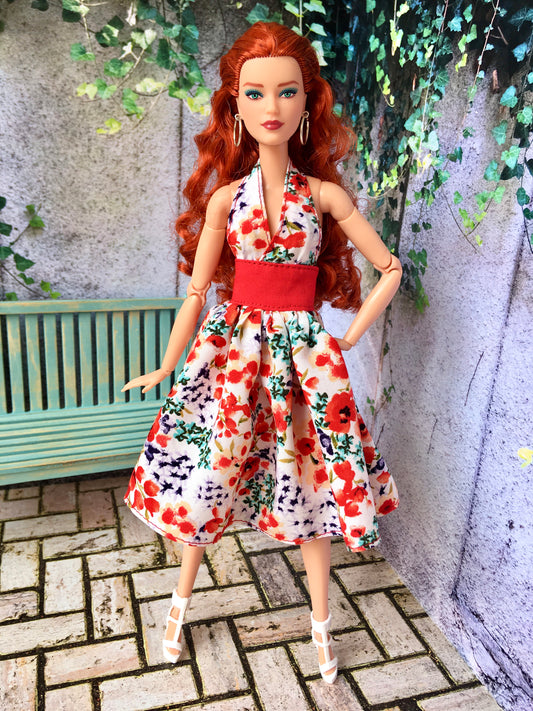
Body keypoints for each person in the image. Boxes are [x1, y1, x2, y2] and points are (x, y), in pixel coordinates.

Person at [123, 21, 401, 684]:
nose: (270, 107)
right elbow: (196, 294)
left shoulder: (324, 196)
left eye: (286, 91)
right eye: (254, 93)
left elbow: (389, 268)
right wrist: (167, 364)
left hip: (303, 359)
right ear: (234, 105)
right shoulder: (226, 199)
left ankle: (320, 624)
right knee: (209, 475)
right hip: (233, 353)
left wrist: (348, 336)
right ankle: (178, 605)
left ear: (309, 102)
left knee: (309, 482)